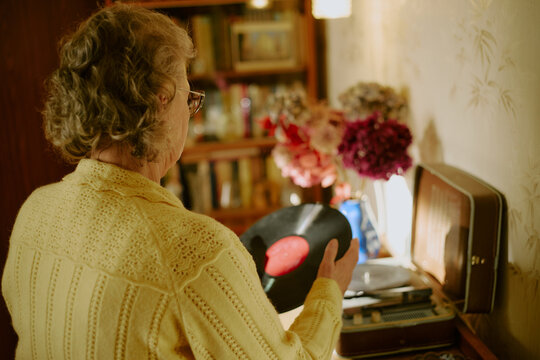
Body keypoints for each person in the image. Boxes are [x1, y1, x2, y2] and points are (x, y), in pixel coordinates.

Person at [1, 4, 359, 359]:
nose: (190, 113)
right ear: (160, 100)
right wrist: (328, 294)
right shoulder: (194, 251)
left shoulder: (35, 212)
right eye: (189, 98)